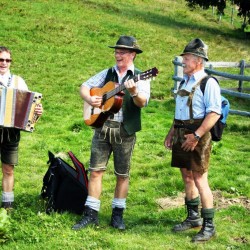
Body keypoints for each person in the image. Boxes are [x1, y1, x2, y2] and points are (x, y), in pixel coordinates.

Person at [72, 35, 150, 230]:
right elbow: (84, 86)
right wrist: (91, 101)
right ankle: (90, 214)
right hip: (102, 126)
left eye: (122, 52)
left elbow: (143, 102)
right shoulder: (107, 73)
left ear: (133, 54)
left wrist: (133, 92)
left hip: (125, 130)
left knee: (122, 174)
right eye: (116, 51)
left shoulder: (141, 76)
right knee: (96, 170)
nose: (118, 55)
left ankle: (117, 215)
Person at [164, 38, 221, 242]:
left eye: (186, 58)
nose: (183, 62)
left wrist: (196, 136)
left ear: (198, 60)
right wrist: (171, 132)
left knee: (199, 178)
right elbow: (179, 111)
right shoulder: (184, 82)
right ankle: (193, 217)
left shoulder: (208, 83)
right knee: (187, 176)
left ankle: (209, 225)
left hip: (198, 135)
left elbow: (214, 113)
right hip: (181, 132)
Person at [0, 46, 43, 210]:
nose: (4, 63)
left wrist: (38, 111)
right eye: (1, 59)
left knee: (8, 168)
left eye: (7, 60)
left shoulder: (19, 81)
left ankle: (7, 205)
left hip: (11, 132)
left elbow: (32, 107)